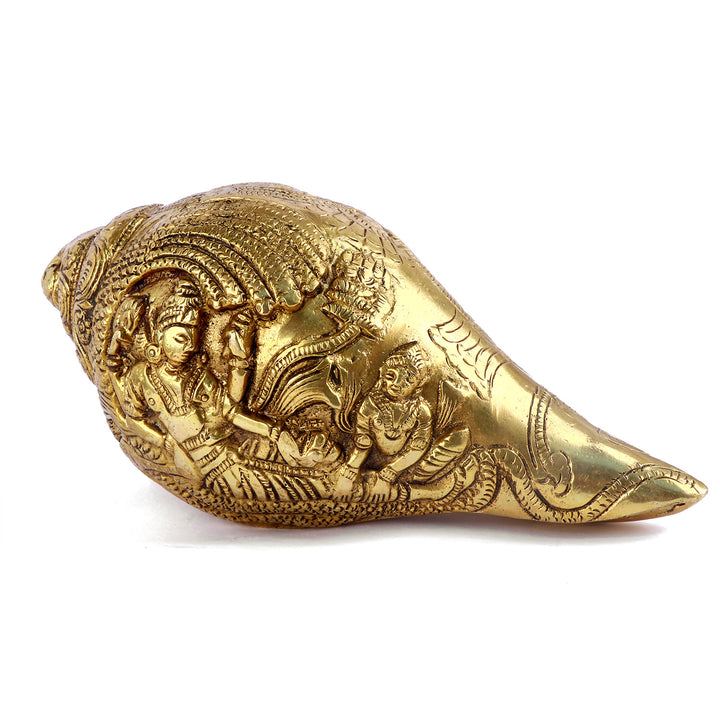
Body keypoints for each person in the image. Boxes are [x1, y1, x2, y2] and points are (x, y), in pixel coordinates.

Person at [113, 277, 300, 497]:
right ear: (159, 336)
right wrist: (166, 442)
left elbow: (230, 411)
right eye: (180, 338)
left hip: (224, 455)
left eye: (193, 338)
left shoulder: (198, 377)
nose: (190, 347)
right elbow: (133, 418)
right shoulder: (141, 377)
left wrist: (272, 431)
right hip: (194, 466)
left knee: (290, 482)